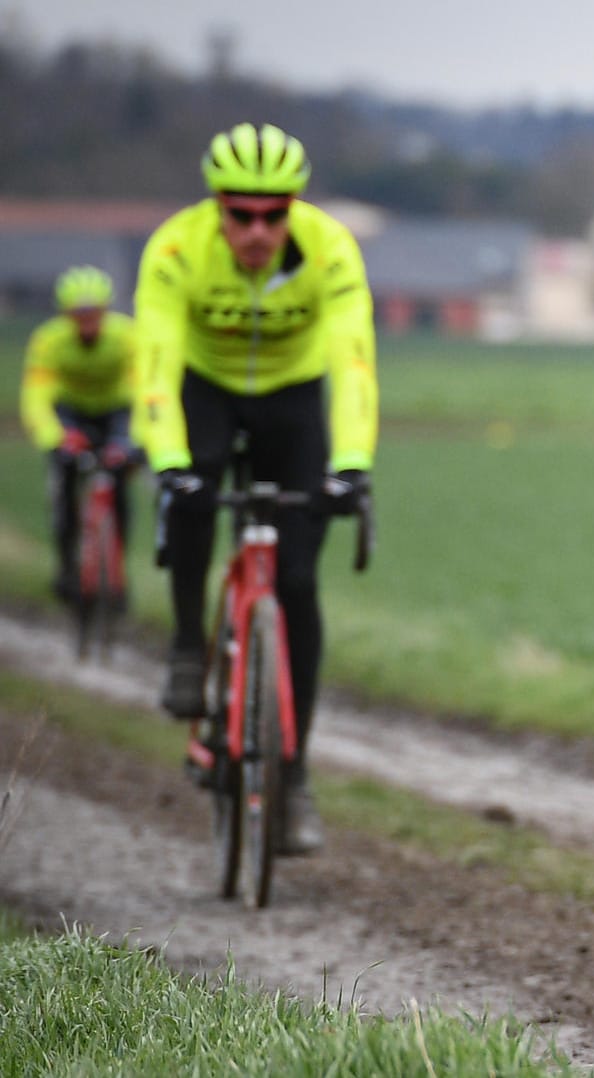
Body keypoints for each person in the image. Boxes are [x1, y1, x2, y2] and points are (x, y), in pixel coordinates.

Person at [135, 122, 379, 855]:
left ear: (293, 209)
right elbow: (153, 363)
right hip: (204, 389)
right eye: (240, 214)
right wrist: (169, 459)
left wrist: (353, 464)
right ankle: (187, 643)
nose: (258, 231)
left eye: (275, 214)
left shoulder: (331, 248)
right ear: (218, 207)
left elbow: (354, 361)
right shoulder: (176, 248)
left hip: (292, 399)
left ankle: (294, 775)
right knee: (191, 494)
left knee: (299, 584)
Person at [19, 265, 142, 604]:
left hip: (116, 411)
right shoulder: (49, 340)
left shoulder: (127, 335)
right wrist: (54, 438)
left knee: (120, 487)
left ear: (107, 310)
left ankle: (118, 573)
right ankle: (66, 568)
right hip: (69, 413)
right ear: (66, 314)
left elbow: (145, 391)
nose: (87, 321)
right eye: (79, 314)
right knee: (64, 490)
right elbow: (36, 396)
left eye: (95, 313)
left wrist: (132, 440)